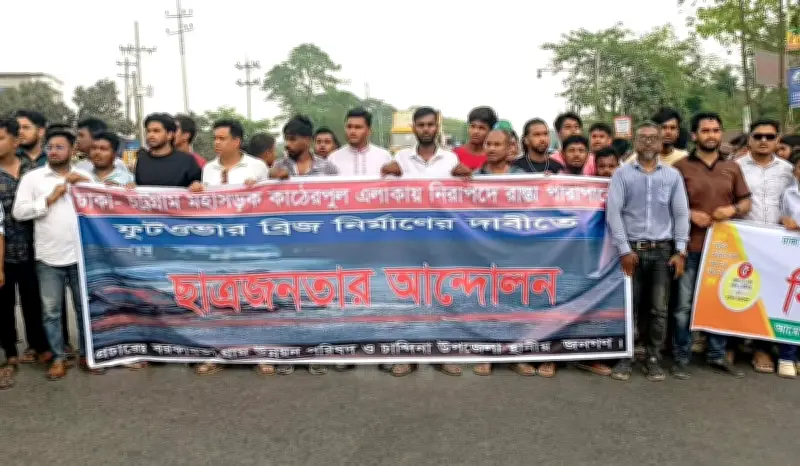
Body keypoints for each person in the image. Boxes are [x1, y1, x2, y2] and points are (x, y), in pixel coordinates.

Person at [380, 107, 471, 377]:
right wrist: (386, 171)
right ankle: (408, 355)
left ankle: (442, 353)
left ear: (437, 126)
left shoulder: (450, 159)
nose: (426, 129)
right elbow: (383, 192)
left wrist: (464, 176)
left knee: (442, 296)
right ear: (414, 128)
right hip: (409, 239)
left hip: (442, 239)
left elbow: (461, 196)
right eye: (421, 125)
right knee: (409, 298)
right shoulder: (401, 158)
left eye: (430, 124)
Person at [12, 127, 103, 380]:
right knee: (51, 311)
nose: (53, 151)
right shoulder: (33, 178)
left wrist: (88, 186)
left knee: (84, 308)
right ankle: (58, 358)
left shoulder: (85, 176)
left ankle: (87, 355)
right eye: (50, 147)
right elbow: (18, 212)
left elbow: (103, 207)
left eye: (59, 147)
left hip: (81, 254)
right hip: (48, 256)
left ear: (72, 150)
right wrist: (50, 198)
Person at [606, 122, 690, 382]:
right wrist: (623, 250)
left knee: (658, 309)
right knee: (628, 307)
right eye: (643, 138)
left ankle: (653, 357)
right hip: (632, 251)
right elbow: (613, 213)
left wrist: (680, 250)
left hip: (663, 251)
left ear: (661, 141)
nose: (649, 142)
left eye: (654, 138)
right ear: (635, 142)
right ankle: (626, 356)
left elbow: (681, 214)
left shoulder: (672, 176)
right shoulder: (622, 175)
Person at [672, 112, 751, 379]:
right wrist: (690, 213)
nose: (711, 135)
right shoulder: (680, 167)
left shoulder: (733, 167)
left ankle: (717, 355)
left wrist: (732, 209)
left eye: (716, 130)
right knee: (683, 306)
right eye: (705, 131)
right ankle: (681, 356)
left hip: (722, 249)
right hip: (689, 247)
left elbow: (746, 202)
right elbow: (666, 205)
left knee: (720, 303)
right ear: (694, 135)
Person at [189, 119, 269, 376]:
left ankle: (260, 352)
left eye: (222, 138)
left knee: (253, 298)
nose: (216, 143)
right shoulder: (209, 169)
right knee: (219, 299)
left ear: (236, 141)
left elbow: (269, 202)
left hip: (249, 244)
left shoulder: (257, 167)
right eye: (215, 138)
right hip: (218, 245)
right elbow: (206, 205)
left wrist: (257, 191)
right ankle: (218, 352)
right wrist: (197, 191)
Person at [735, 119, 794, 375]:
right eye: (758, 136)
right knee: (740, 293)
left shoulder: (788, 171)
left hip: (779, 245)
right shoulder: (736, 167)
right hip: (745, 241)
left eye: (769, 137)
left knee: (771, 298)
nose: (763, 141)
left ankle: (762, 348)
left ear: (777, 140)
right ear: (749, 139)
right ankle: (734, 344)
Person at [0, 119, 51, 389]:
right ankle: (9, 352)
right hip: (3, 252)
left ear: (15, 141)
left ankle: (40, 346)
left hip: (35, 247)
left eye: (0, 138)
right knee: (3, 304)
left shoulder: (34, 171)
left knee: (34, 301)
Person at [134, 113, 202, 187]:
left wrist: (196, 186)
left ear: (170, 134)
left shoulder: (187, 161)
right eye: (148, 131)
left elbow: (199, 187)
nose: (151, 135)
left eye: (156, 131)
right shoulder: (142, 160)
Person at [780, 154, 800, 377]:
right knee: (792, 306)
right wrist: (784, 220)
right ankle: (787, 355)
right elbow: (781, 218)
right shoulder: (788, 193)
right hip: (792, 255)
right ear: (795, 171)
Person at [328, 108, 392, 176]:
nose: (352, 131)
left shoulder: (384, 156)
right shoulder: (333, 158)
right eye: (349, 127)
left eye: (358, 127)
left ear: (369, 131)